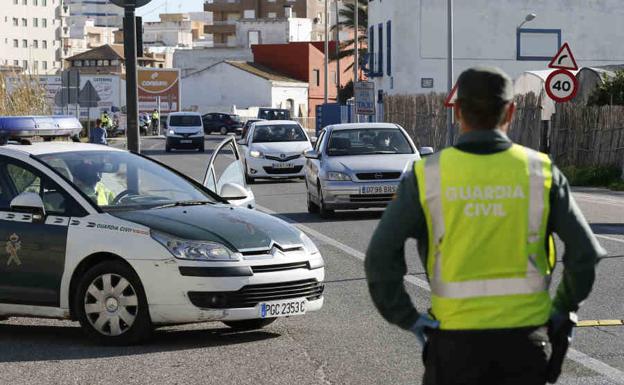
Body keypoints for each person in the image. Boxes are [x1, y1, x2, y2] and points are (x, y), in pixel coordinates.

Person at [364, 67, 605, 385]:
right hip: (526, 348)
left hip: (454, 350)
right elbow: (585, 253)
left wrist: (408, 317)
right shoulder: (541, 172)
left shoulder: (427, 175)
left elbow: (380, 258)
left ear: (458, 111)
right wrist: (562, 308)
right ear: (512, 111)